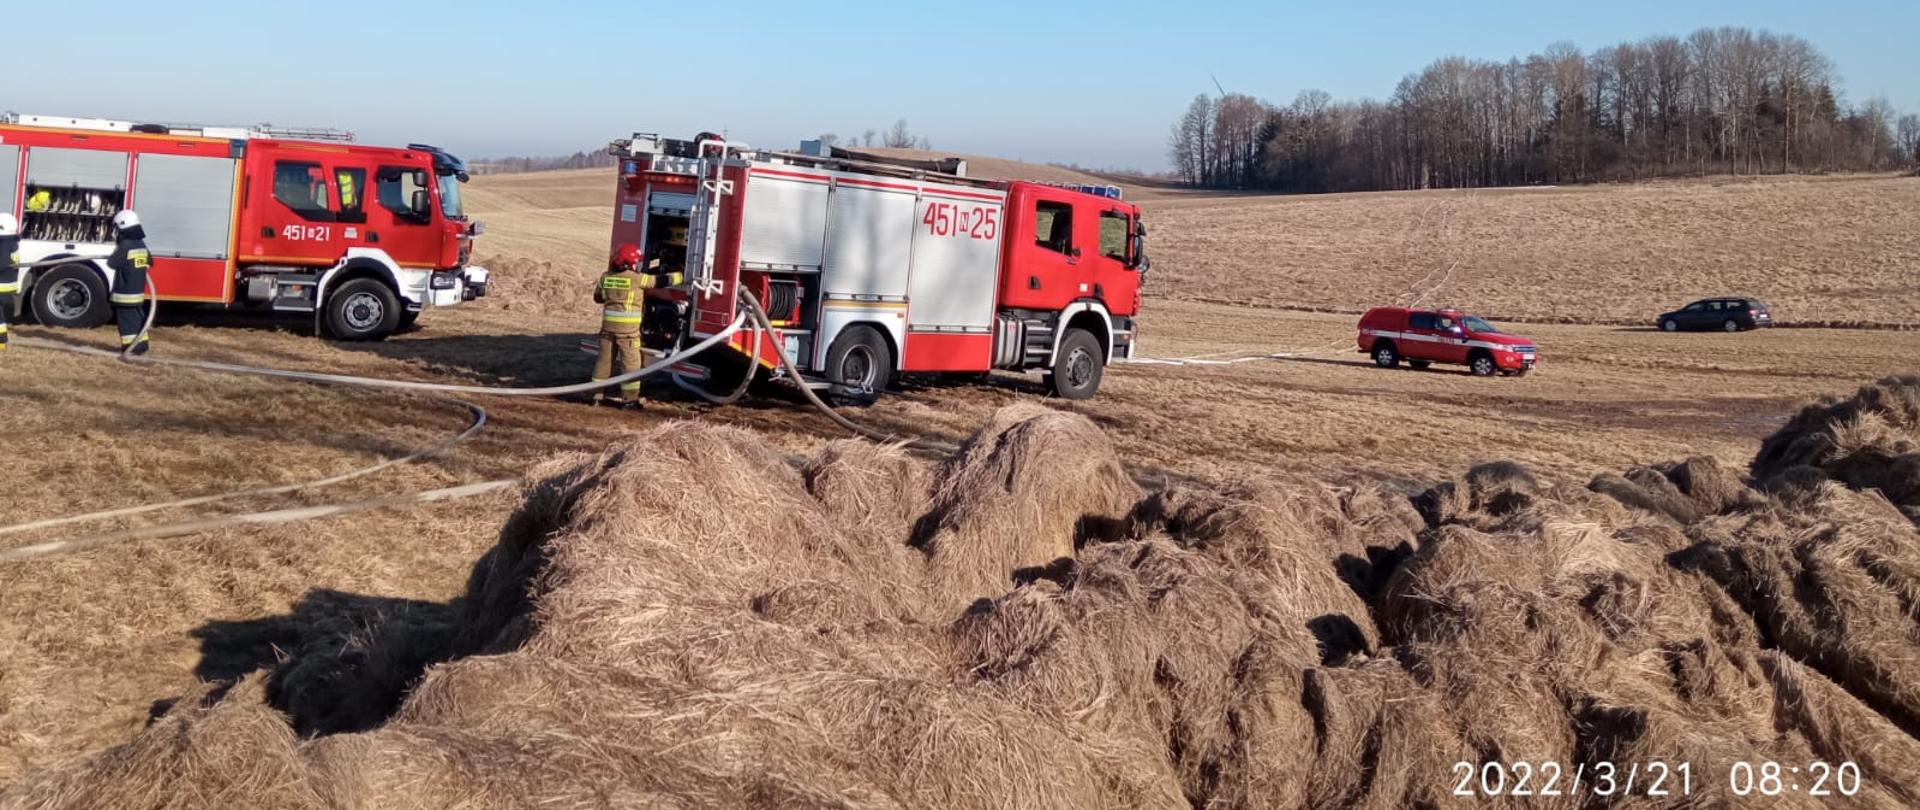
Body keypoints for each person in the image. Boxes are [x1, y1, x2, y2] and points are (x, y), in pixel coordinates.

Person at [591, 242, 683, 407]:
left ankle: (597, 396)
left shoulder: (605, 277)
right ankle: (630, 400)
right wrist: (681, 275)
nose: (636, 265)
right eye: (635, 262)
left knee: (603, 363)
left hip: (607, 330)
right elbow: (659, 281)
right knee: (631, 365)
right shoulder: (636, 279)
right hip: (628, 333)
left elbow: (598, 297)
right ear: (628, 263)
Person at [108, 210, 153, 355]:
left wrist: (116, 250)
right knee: (137, 320)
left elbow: (112, 263)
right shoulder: (141, 244)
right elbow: (150, 261)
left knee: (126, 323)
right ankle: (142, 345)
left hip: (124, 293)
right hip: (137, 293)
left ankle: (130, 347)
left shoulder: (125, 245)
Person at [0, 214, 18, 351]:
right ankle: (1, 342)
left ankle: (1, 343)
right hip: (8, 284)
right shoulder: (11, 241)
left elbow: (3, 264)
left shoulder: (4, 243)